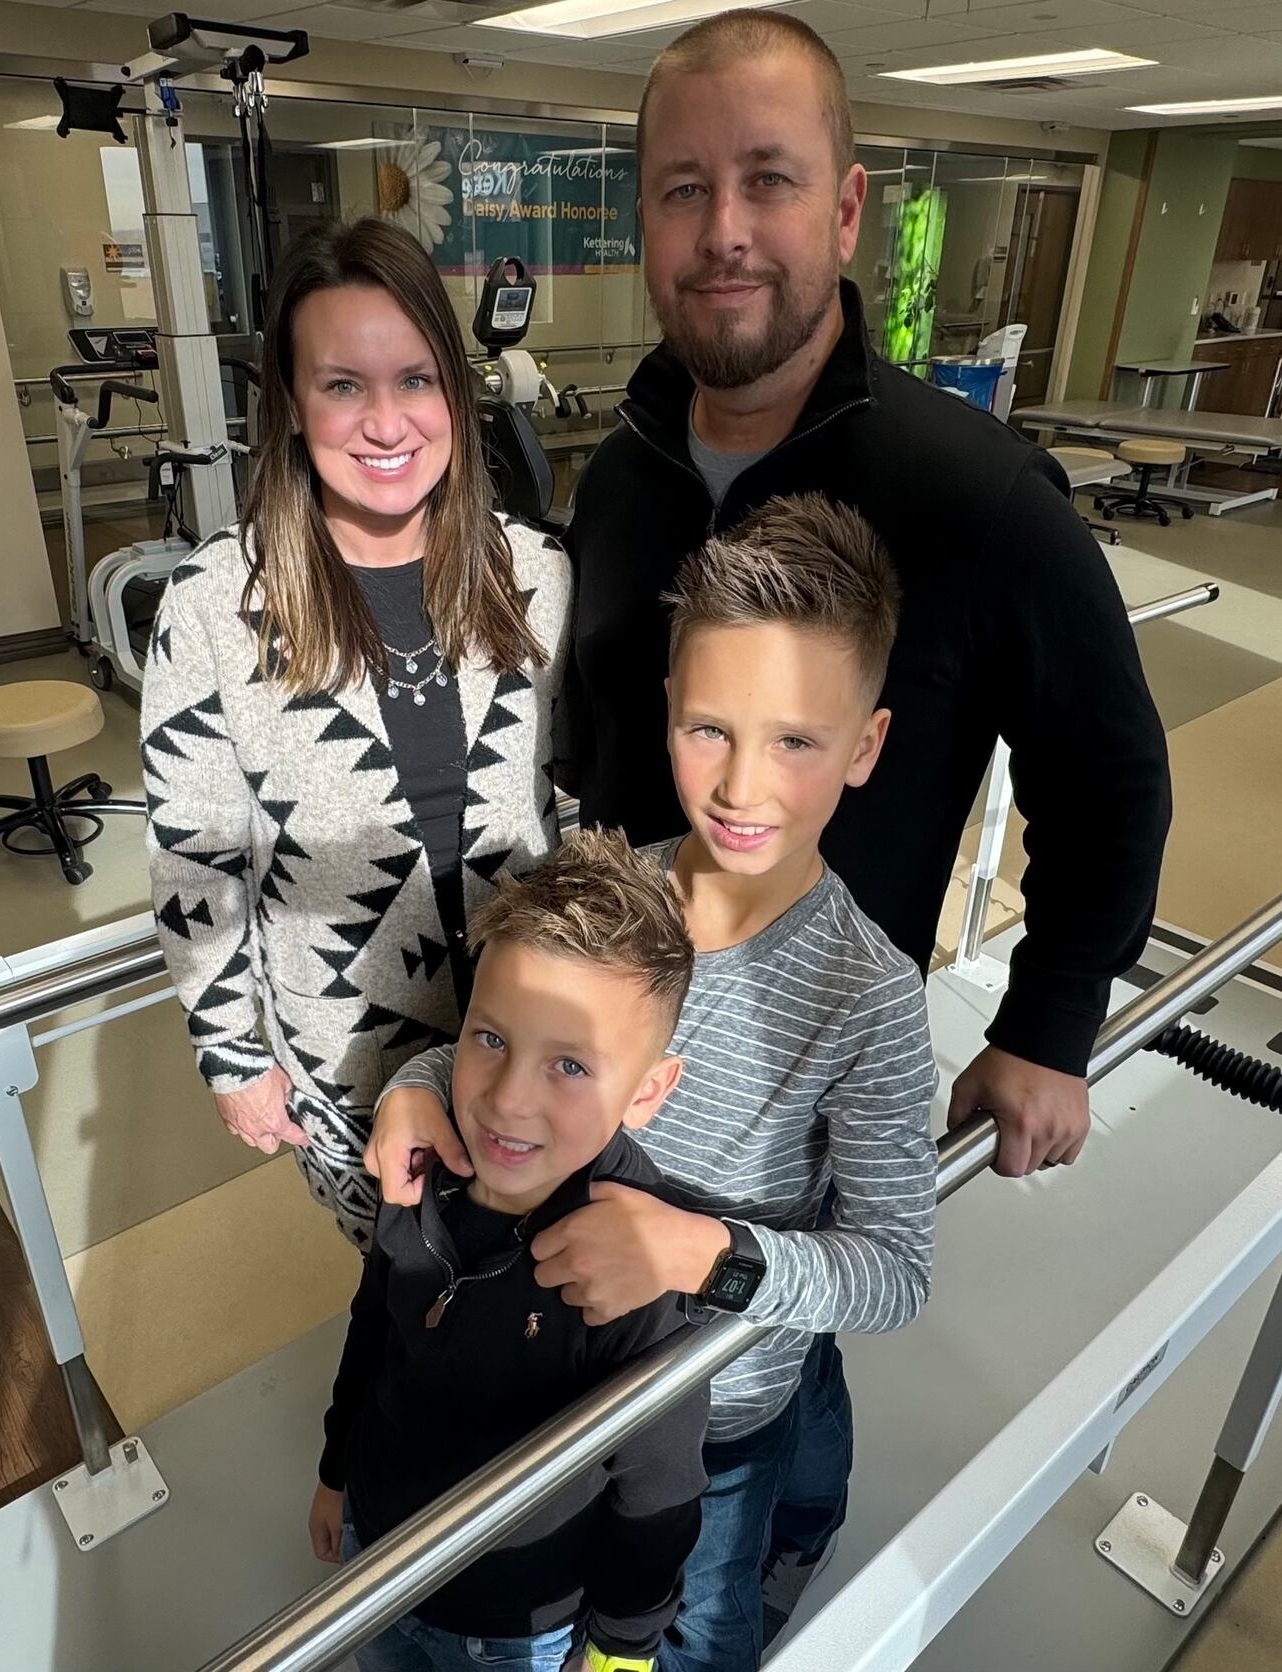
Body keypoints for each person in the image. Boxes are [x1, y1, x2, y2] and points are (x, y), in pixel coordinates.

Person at [567, 9, 1171, 1182]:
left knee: (761, 1360)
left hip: (807, 1091)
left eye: (767, 182)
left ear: (844, 213)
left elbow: (1108, 776)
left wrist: (1049, 1023)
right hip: (600, 1044)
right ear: (643, 219)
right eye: (683, 190)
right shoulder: (619, 473)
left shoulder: (975, 495)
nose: (724, 233)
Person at [370, 496, 937, 1672]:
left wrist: (702, 1256)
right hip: (548, 1382)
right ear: (668, 710)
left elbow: (892, 1272)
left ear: (866, 746)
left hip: (716, 1419)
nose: (741, 786)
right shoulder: (595, 889)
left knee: (698, 1628)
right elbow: (494, 1045)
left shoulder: (868, 994)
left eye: (796, 740)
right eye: (710, 729)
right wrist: (415, 1085)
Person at [141, 218, 570, 1249]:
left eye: (415, 380)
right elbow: (192, 850)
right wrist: (232, 1055)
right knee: (410, 1306)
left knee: (551, 1298)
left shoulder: (533, 574)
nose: (386, 422)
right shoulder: (212, 604)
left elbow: (571, 803)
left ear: (456, 395)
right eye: (342, 385)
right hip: (350, 1059)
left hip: (538, 1044)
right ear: (292, 405)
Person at [311, 829, 708, 1672]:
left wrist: (620, 1650)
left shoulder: (634, 1269)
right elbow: (372, 1323)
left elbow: (659, 1488)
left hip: (513, 1624)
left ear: (646, 1092)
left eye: (569, 1064)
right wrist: (336, 1469)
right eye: (491, 1040)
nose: (507, 1101)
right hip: (376, 1559)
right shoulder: (424, 1163)